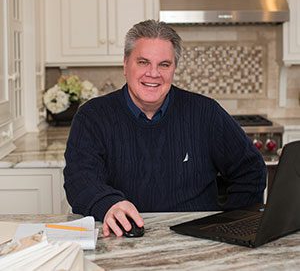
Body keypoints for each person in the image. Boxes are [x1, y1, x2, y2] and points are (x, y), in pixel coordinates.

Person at [63, 19, 266, 237]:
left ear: (174, 69)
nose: (153, 73)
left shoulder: (205, 112)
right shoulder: (92, 116)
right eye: (143, 62)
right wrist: (107, 204)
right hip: (121, 239)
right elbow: (79, 179)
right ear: (125, 64)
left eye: (164, 64)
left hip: (197, 244)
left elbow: (251, 170)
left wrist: (228, 222)